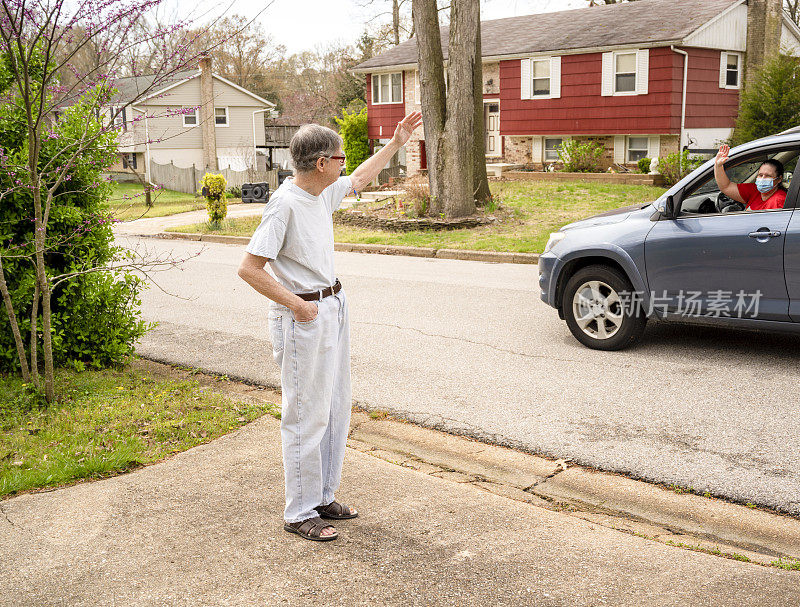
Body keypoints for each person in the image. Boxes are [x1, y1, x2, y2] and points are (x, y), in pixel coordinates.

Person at [237, 112, 423, 542]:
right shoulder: (284, 205)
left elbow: (358, 179)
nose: (344, 163)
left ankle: (321, 496)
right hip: (303, 317)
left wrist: (395, 143)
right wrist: (297, 306)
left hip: (332, 309)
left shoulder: (320, 194)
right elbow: (249, 268)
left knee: (335, 408)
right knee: (305, 415)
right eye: (339, 157)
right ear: (321, 162)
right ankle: (298, 511)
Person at [714, 144, 786, 211]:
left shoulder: (779, 201)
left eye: (768, 176)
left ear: (779, 179)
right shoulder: (755, 190)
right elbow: (726, 187)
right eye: (760, 175)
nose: (763, 179)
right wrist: (718, 166)